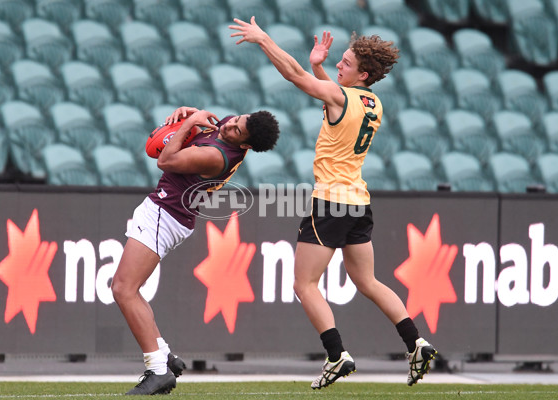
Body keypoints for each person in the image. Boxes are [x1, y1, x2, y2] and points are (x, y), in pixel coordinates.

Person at [230, 18, 437, 389]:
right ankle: (416, 343)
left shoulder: (341, 95)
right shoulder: (374, 101)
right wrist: (319, 66)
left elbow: (294, 76)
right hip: (358, 201)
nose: (339, 65)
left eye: (345, 62)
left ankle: (336, 354)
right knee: (368, 281)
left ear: (364, 73)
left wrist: (264, 40)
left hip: (330, 202)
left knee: (304, 284)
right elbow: (339, 97)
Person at [111, 106, 280, 395]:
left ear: (246, 145)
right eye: (237, 119)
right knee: (131, 289)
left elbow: (165, 160)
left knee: (123, 289)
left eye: (237, 130)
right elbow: (210, 126)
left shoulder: (216, 157)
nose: (229, 126)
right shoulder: (233, 128)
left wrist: (190, 123)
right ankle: (163, 356)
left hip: (166, 213)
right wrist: (189, 113)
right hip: (170, 212)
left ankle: (157, 370)